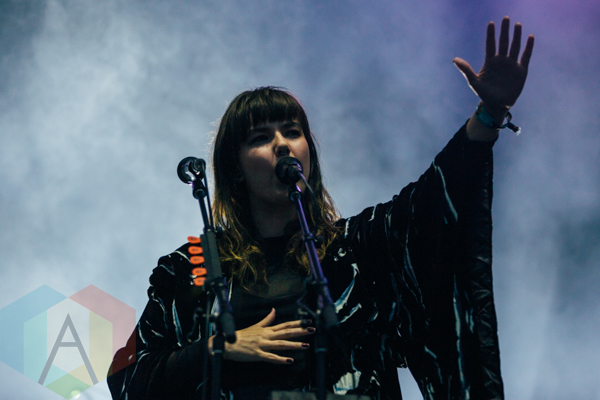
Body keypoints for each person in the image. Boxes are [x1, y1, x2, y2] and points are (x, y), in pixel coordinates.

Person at [107, 17, 534, 400]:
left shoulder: (358, 249)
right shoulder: (196, 267)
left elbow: (432, 205)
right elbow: (126, 378)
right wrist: (215, 348)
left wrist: (489, 114)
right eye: (260, 137)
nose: (282, 144)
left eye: (292, 132)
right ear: (235, 168)